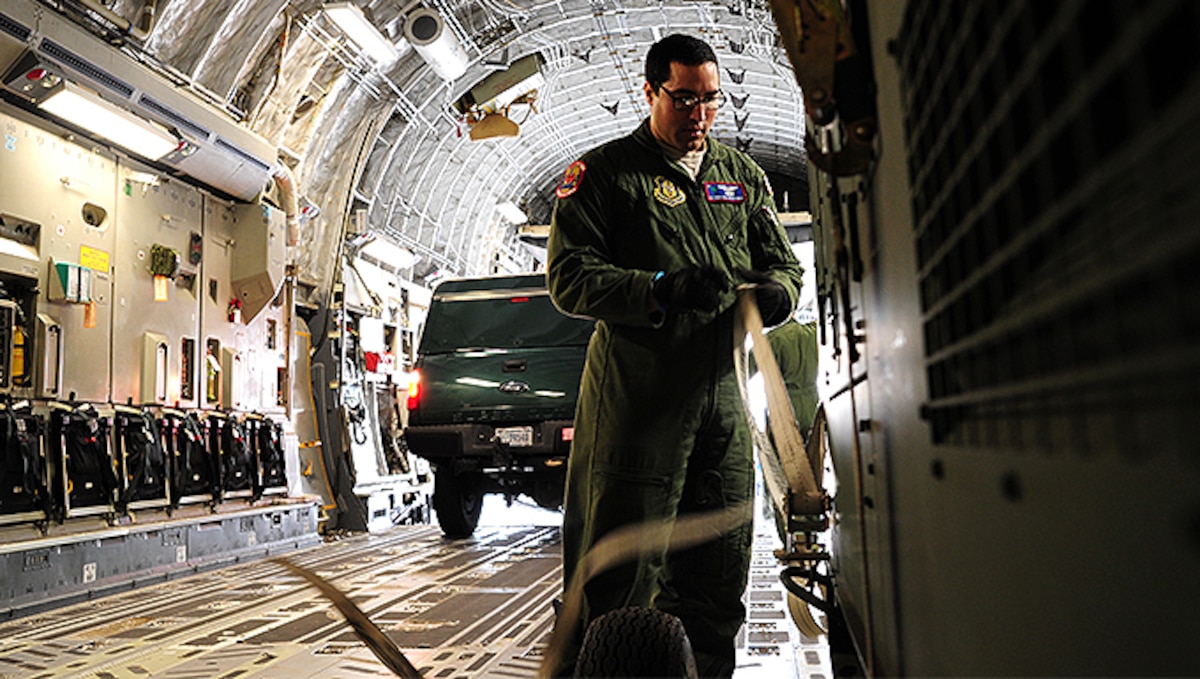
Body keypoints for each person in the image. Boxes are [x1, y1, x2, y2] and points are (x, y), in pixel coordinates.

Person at [545, 33, 803, 677]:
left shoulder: (740, 177)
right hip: (640, 397)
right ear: (650, 91)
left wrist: (776, 293)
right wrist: (657, 289)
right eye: (684, 100)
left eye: (711, 101)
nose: (699, 116)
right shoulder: (604, 174)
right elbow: (570, 277)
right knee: (621, 573)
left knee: (717, 572)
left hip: (721, 398)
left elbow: (783, 267)